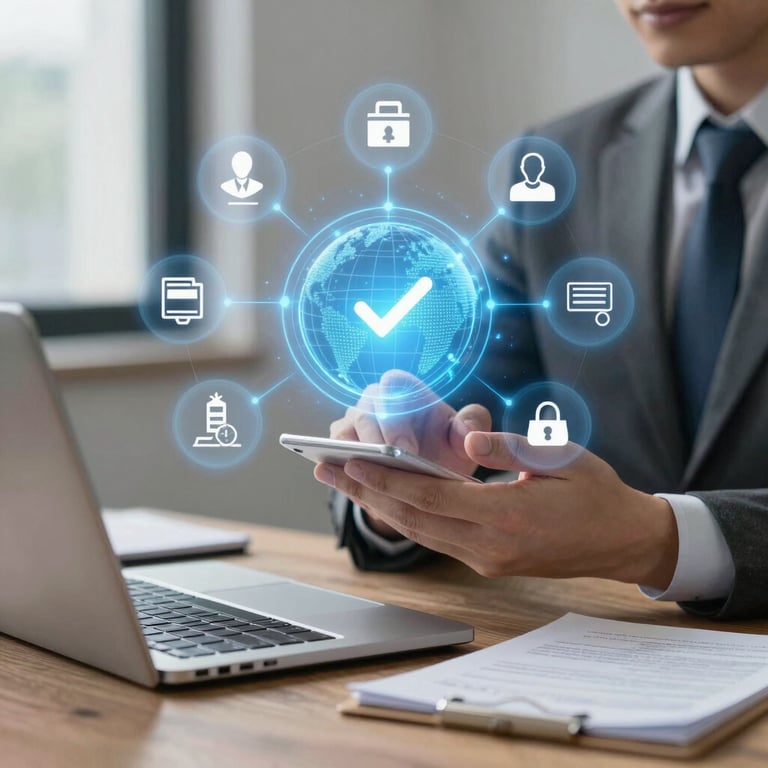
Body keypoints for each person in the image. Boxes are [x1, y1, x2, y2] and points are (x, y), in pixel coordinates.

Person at [314, 0, 768, 621]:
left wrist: (660, 539)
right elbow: (463, 407)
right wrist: (399, 476)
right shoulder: (558, 160)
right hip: (604, 646)